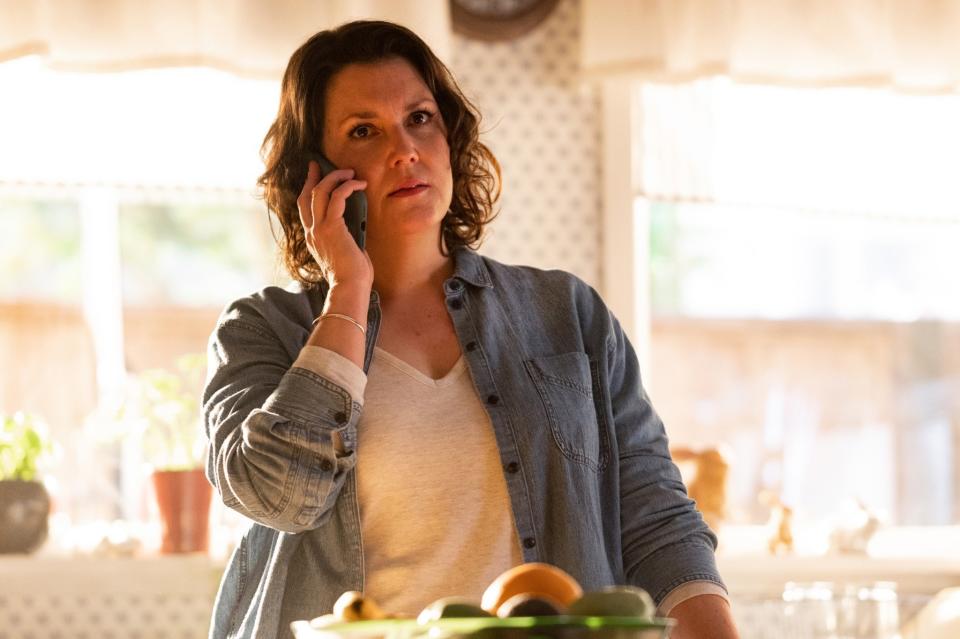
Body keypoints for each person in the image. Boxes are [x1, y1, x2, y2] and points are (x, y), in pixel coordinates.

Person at [203, 20, 739, 639]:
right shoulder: (261, 330)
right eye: (363, 131)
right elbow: (276, 497)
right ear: (318, 176)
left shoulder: (568, 314)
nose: (404, 148)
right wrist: (348, 289)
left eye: (420, 118)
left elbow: (656, 522)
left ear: (449, 135)